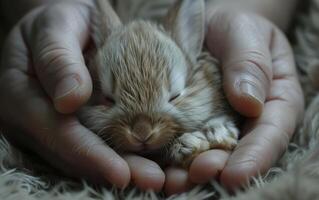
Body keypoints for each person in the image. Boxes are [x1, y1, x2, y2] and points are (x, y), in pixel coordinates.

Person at [0, 0, 304, 195]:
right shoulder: (91, 59)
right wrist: (41, 13)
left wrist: (252, 13)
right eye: (110, 100)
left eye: (172, 97)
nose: (142, 133)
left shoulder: (207, 74)